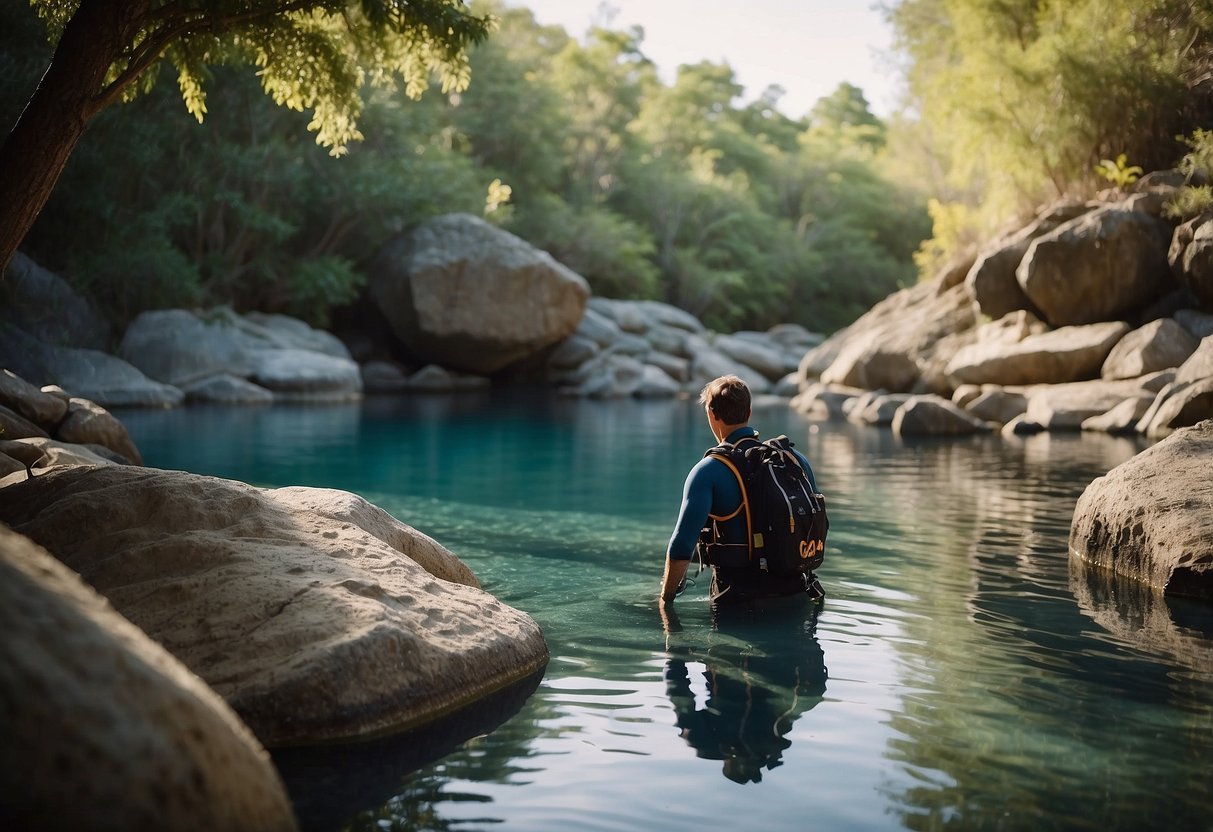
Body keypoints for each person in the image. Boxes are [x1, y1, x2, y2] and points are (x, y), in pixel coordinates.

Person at [660, 374, 822, 606]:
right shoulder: (794, 460)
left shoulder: (708, 470)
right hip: (798, 592)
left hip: (738, 600)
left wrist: (665, 600)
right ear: (749, 413)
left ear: (712, 414)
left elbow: (681, 546)